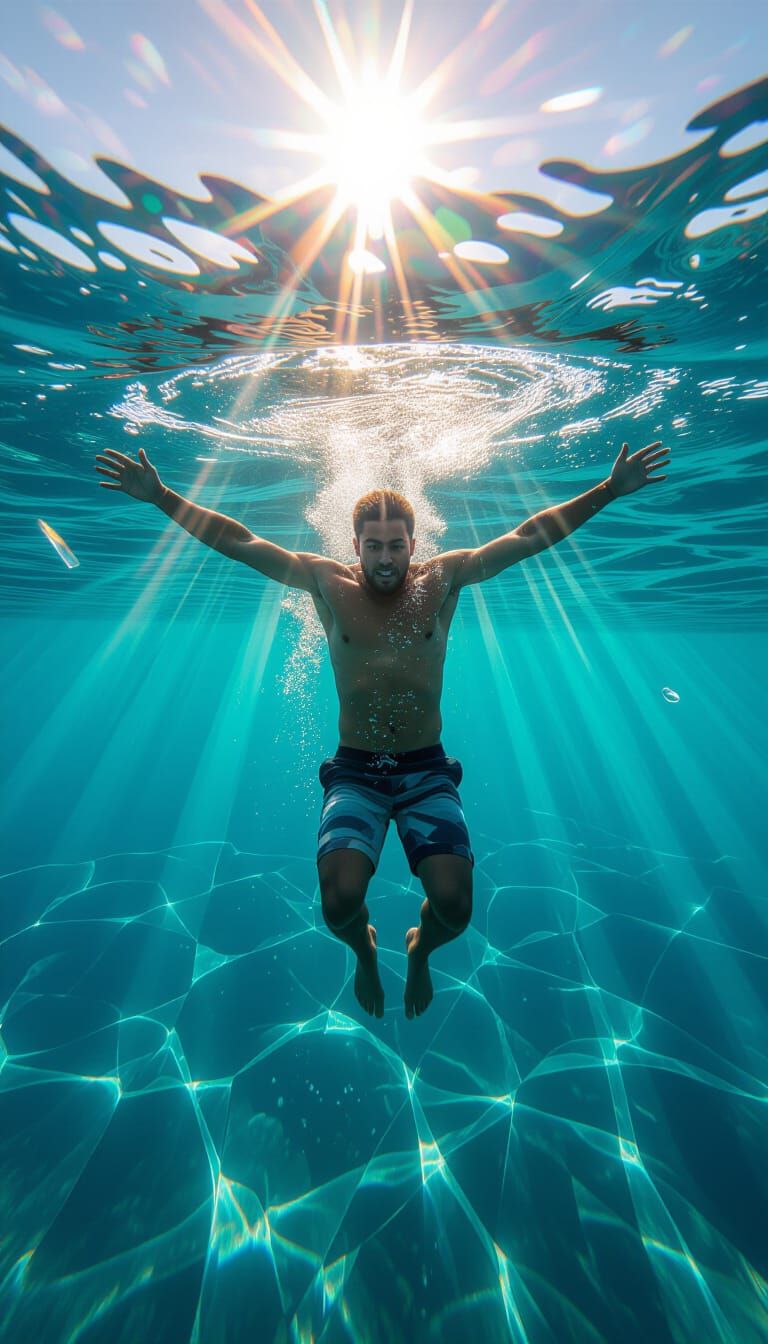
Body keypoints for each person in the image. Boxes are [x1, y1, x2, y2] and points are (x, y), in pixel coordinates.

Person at [94, 438, 670, 1019]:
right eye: (374, 547)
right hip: (357, 771)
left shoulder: (443, 580)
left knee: (455, 908)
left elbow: (526, 537)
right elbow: (241, 542)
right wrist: (162, 496)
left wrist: (607, 491)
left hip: (425, 769)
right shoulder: (326, 582)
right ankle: (365, 954)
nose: (387, 558)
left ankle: (419, 952)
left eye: (397, 545)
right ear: (356, 546)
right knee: (339, 903)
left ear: (415, 544)